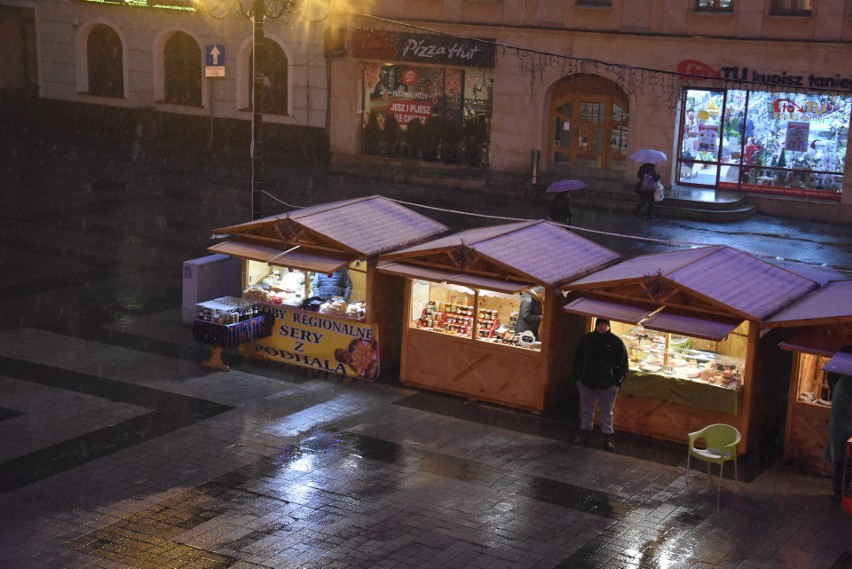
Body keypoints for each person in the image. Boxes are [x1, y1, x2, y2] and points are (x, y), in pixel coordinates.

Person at [573, 317, 628, 452]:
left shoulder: (616, 342)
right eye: (600, 325)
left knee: (607, 413)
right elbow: (576, 360)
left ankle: (607, 438)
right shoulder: (586, 340)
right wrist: (578, 378)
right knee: (586, 410)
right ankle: (585, 434)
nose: (602, 327)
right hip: (587, 383)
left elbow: (623, 364)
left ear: (608, 326)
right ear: (596, 326)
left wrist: (617, 382)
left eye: (604, 325)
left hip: (608, 385)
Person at [826, 373, 852, 501]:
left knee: (840, 462)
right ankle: (839, 492)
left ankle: (838, 492)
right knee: (841, 462)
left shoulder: (843, 382)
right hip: (843, 431)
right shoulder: (847, 386)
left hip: (840, 429)